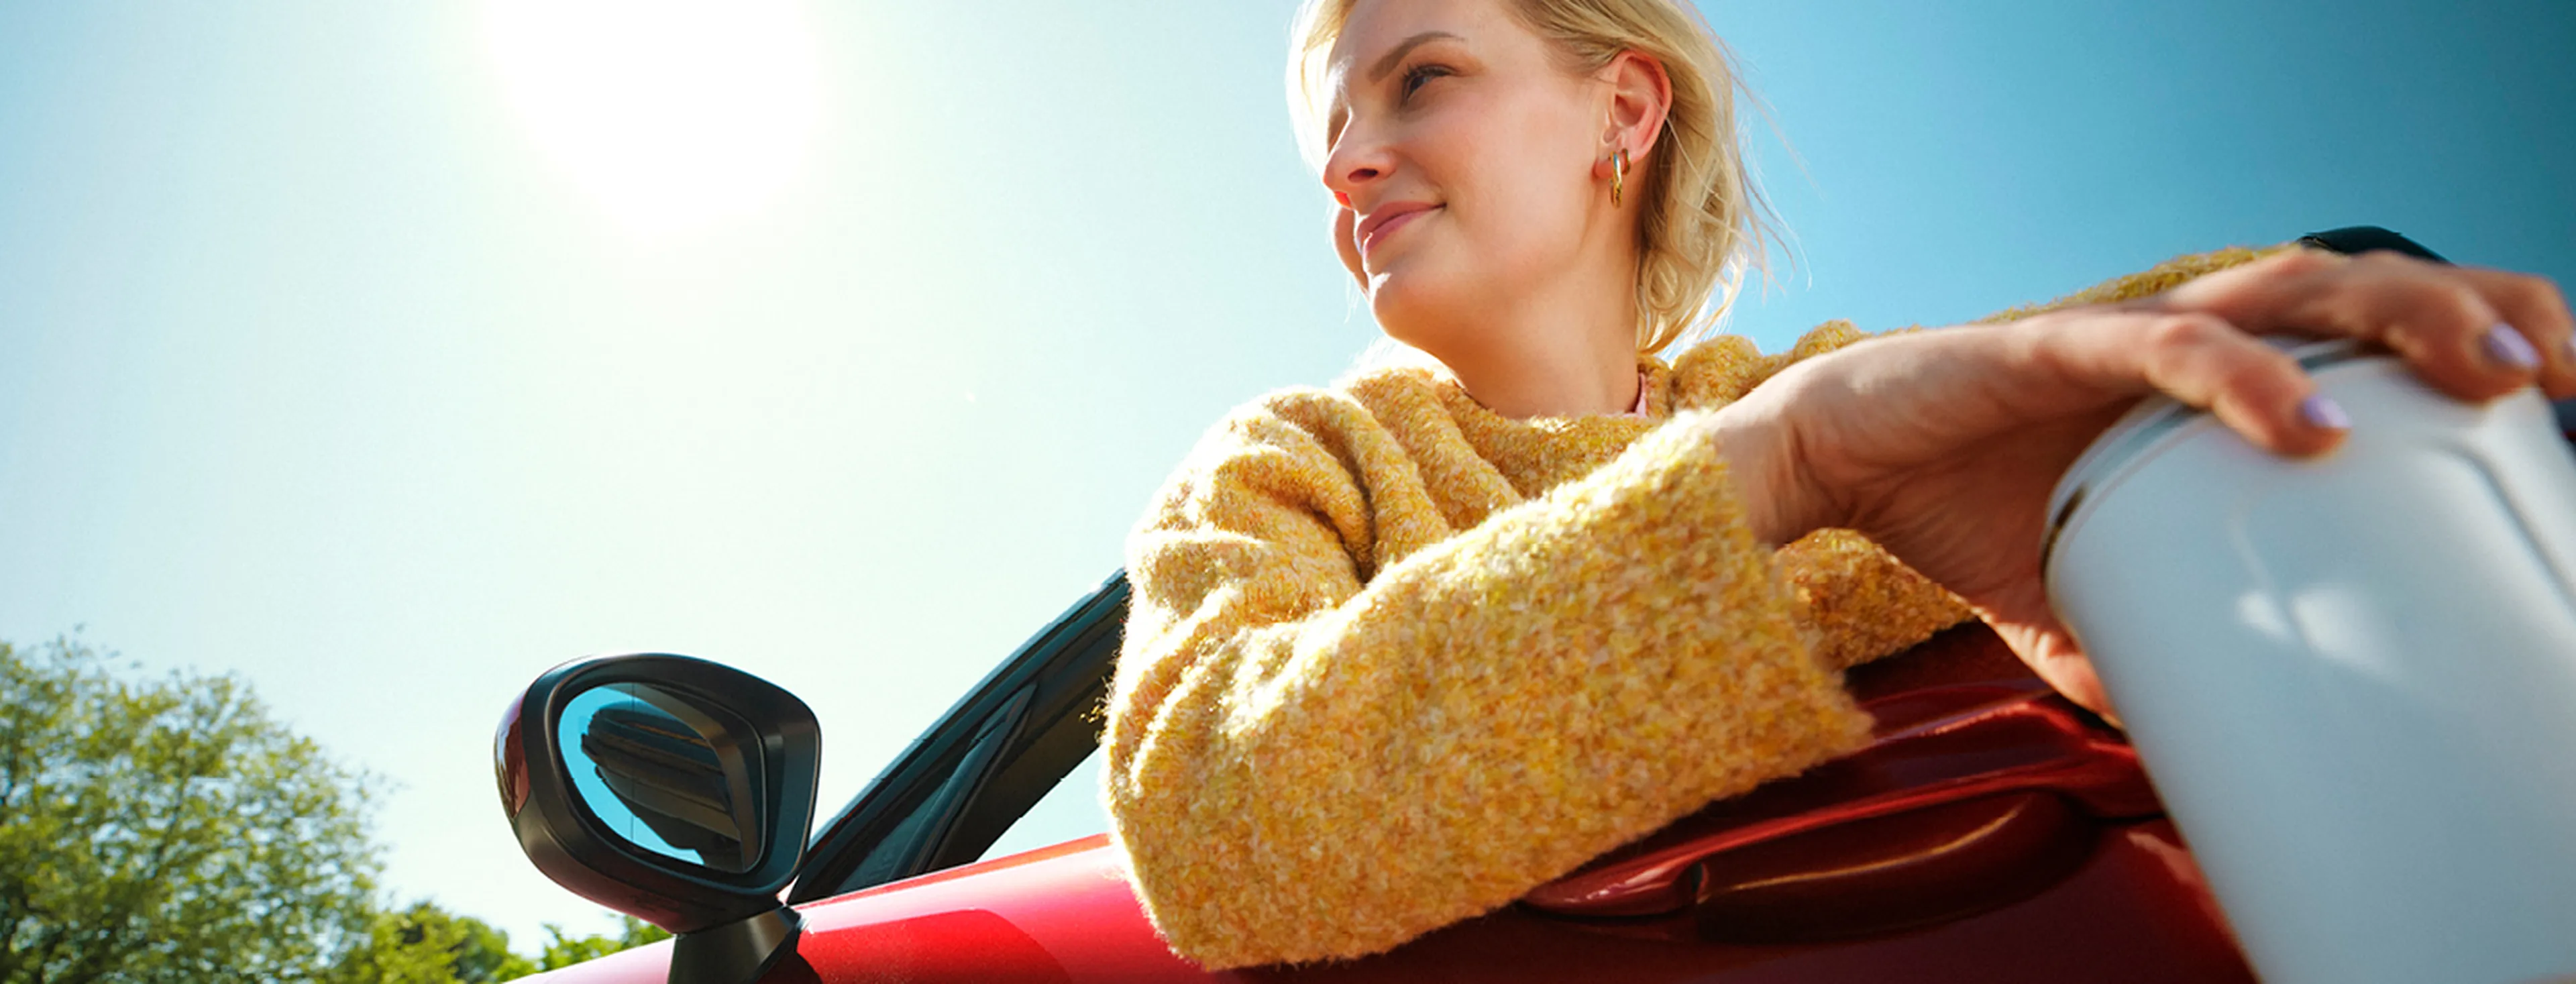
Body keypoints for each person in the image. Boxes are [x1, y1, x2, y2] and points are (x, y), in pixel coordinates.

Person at [1100, 0, 2576, 970]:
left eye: (1419, 81)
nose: (1350, 163)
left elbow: (2147, 341)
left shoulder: (1823, 379)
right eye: (1332, 131)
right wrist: (1782, 465)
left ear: (1624, 110)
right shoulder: (1288, 464)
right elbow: (1206, 816)